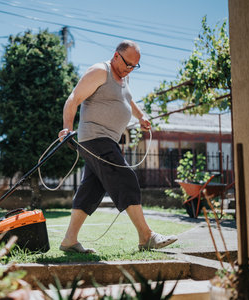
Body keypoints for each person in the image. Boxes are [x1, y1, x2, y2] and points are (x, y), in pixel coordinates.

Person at [58, 40, 178, 253]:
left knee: (91, 190)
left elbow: (128, 100)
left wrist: (141, 117)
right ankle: (146, 236)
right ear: (116, 56)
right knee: (125, 176)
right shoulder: (99, 71)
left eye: (134, 66)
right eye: (127, 64)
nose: (129, 69)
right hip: (95, 137)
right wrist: (67, 127)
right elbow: (73, 98)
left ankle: (69, 240)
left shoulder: (124, 77)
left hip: (106, 140)